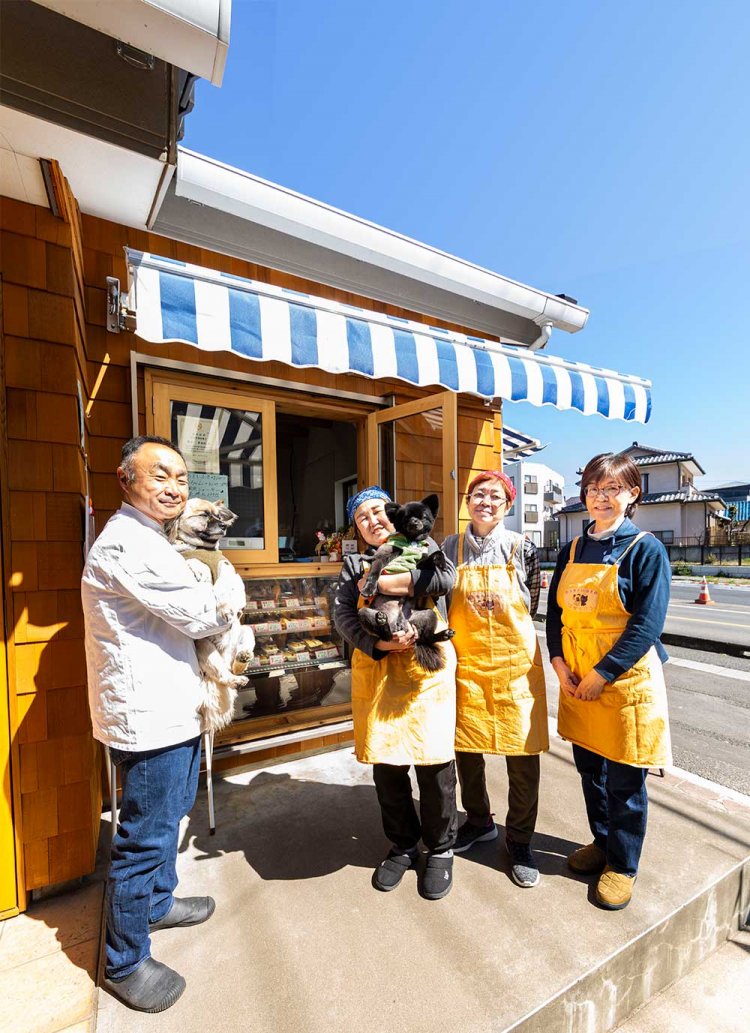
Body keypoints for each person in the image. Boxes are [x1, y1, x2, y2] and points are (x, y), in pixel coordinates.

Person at [82, 436, 234, 1013]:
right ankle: (123, 961)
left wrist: (210, 586)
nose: (174, 489)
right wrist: (219, 590)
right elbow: (200, 613)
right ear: (126, 480)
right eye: (160, 476)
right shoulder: (128, 543)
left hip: (174, 706)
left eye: (181, 480)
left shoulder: (153, 540)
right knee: (143, 838)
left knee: (169, 817)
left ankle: (157, 903)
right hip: (148, 715)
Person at [546, 452, 671, 910]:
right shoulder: (573, 550)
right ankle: (601, 840)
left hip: (622, 682)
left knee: (624, 779)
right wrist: (559, 665)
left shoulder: (644, 549)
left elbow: (646, 624)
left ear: (632, 494)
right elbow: (556, 616)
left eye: (612, 489)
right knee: (590, 771)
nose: (601, 497)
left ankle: (622, 863)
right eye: (594, 489)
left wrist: (603, 674)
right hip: (577, 678)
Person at [333, 487, 458, 899]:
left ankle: (440, 848)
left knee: (434, 761)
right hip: (380, 667)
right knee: (387, 765)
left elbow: (445, 577)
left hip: (426, 666)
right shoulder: (353, 564)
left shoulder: (423, 544)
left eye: (377, 511)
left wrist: (402, 581)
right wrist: (381, 645)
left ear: (395, 515)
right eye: (362, 517)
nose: (372, 520)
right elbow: (343, 616)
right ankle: (403, 844)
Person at [442, 471, 547, 888]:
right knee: (466, 749)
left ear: (507, 505)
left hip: (514, 667)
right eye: (478, 494)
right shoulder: (449, 547)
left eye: (495, 496)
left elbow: (533, 604)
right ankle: (480, 820)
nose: (486, 501)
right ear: (468, 501)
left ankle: (519, 840)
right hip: (465, 665)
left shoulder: (523, 547)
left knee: (523, 755)